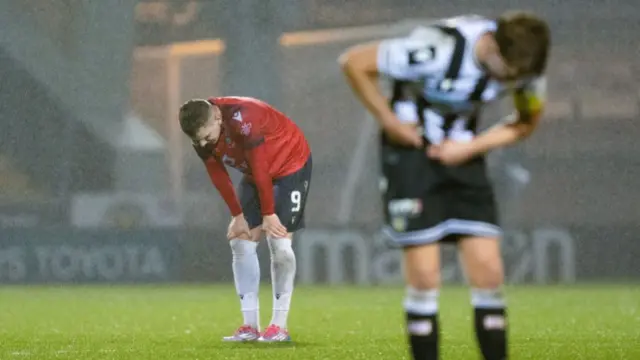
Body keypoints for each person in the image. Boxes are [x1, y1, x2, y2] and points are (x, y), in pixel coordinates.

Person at [339, 11, 550, 360]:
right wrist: (391, 124)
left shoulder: (526, 68)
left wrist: (469, 147)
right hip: (411, 157)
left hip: (463, 156)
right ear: (493, 47)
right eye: (507, 72)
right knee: (425, 274)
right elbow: (354, 62)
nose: (511, 82)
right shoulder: (435, 48)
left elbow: (527, 121)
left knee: (489, 272)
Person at [178, 96, 312, 342]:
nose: (204, 143)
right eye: (198, 140)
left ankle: (278, 326)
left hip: (289, 166)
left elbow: (261, 166)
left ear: (218, 117)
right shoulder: (201, 131)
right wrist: (237, 215)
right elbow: (217, 172)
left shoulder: (243, 118)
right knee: (240, 241)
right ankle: (250, 326)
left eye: (207, 137)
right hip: (256, 171)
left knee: (279, 244)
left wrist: (268, 214)